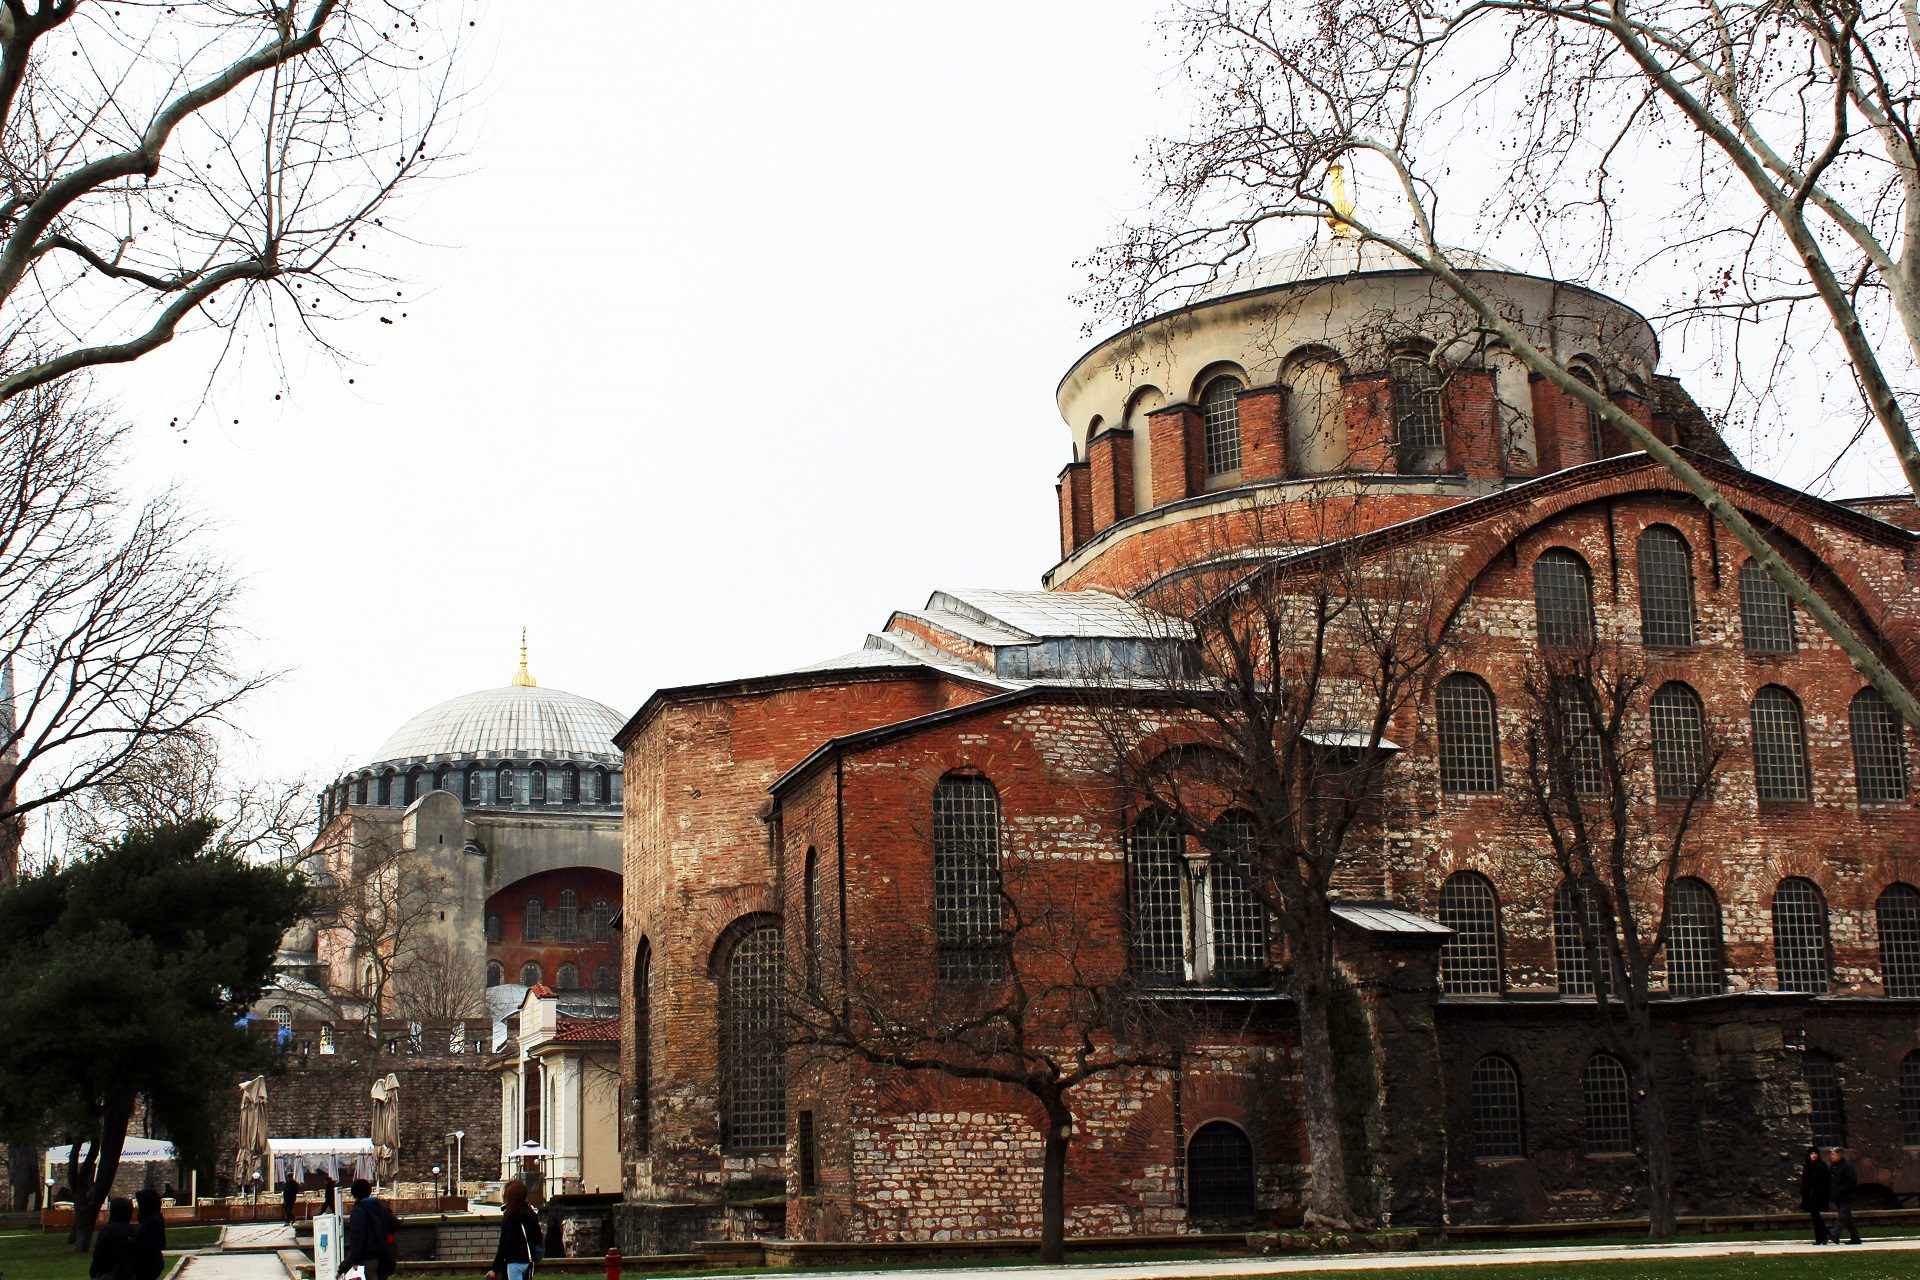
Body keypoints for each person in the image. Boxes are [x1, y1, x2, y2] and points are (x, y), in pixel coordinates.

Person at [485, 1179, 542, 1280]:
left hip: (514, 1261)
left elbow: (504, 1244)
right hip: (529, 1260)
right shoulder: (531, 1212)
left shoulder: (511, 1215)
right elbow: (538, 1237)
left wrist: (495, 1268)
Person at [344, 1179, 399, 1280]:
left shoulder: (358, 1210)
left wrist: (355, 1259)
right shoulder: (381, 1206)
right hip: (384, 1255)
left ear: (354, 1194)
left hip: (368, 1257)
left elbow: (357, 1236)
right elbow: (395, 1224)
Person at [89, 1196, 137, 1280]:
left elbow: (99, 1254)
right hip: (128, 1274)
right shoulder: (133, 1231)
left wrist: (94, 1271)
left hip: (108, 1273)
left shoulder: (108, 1231)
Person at [1829, 1148, 1862, 1244]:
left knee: (1842, 1216)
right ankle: (1855, 1238)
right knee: (1847, 1218)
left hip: (1846, 1196)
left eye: (1833, 1155)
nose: (1831, 1157)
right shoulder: (1833, 1166)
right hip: (1838, 1196)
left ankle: (1835, 1235)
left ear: (1839, 1156)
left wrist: (1840, 1190)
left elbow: (1851, 1181)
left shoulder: (1847, 1166)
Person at [133, 1188, 166, 1280]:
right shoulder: (155, 1218)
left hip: (147, 1265)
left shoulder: (152, 1222)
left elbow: (147, 1247)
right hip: (153, 1263)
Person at [1799, 1147, 1830, 1243]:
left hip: (1818, 1195)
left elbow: (1825, 1181)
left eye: (1815, 1153)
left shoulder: (1821, 1166)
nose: (1814, 1155)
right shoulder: (1807, 1166)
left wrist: (1817, 1190)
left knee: (1816, 1215)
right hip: (1809, 1195)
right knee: (1815, 1216)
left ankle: (1822, 1237)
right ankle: (1824, 1235)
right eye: (1812, 1153)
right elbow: (1805, 1181)